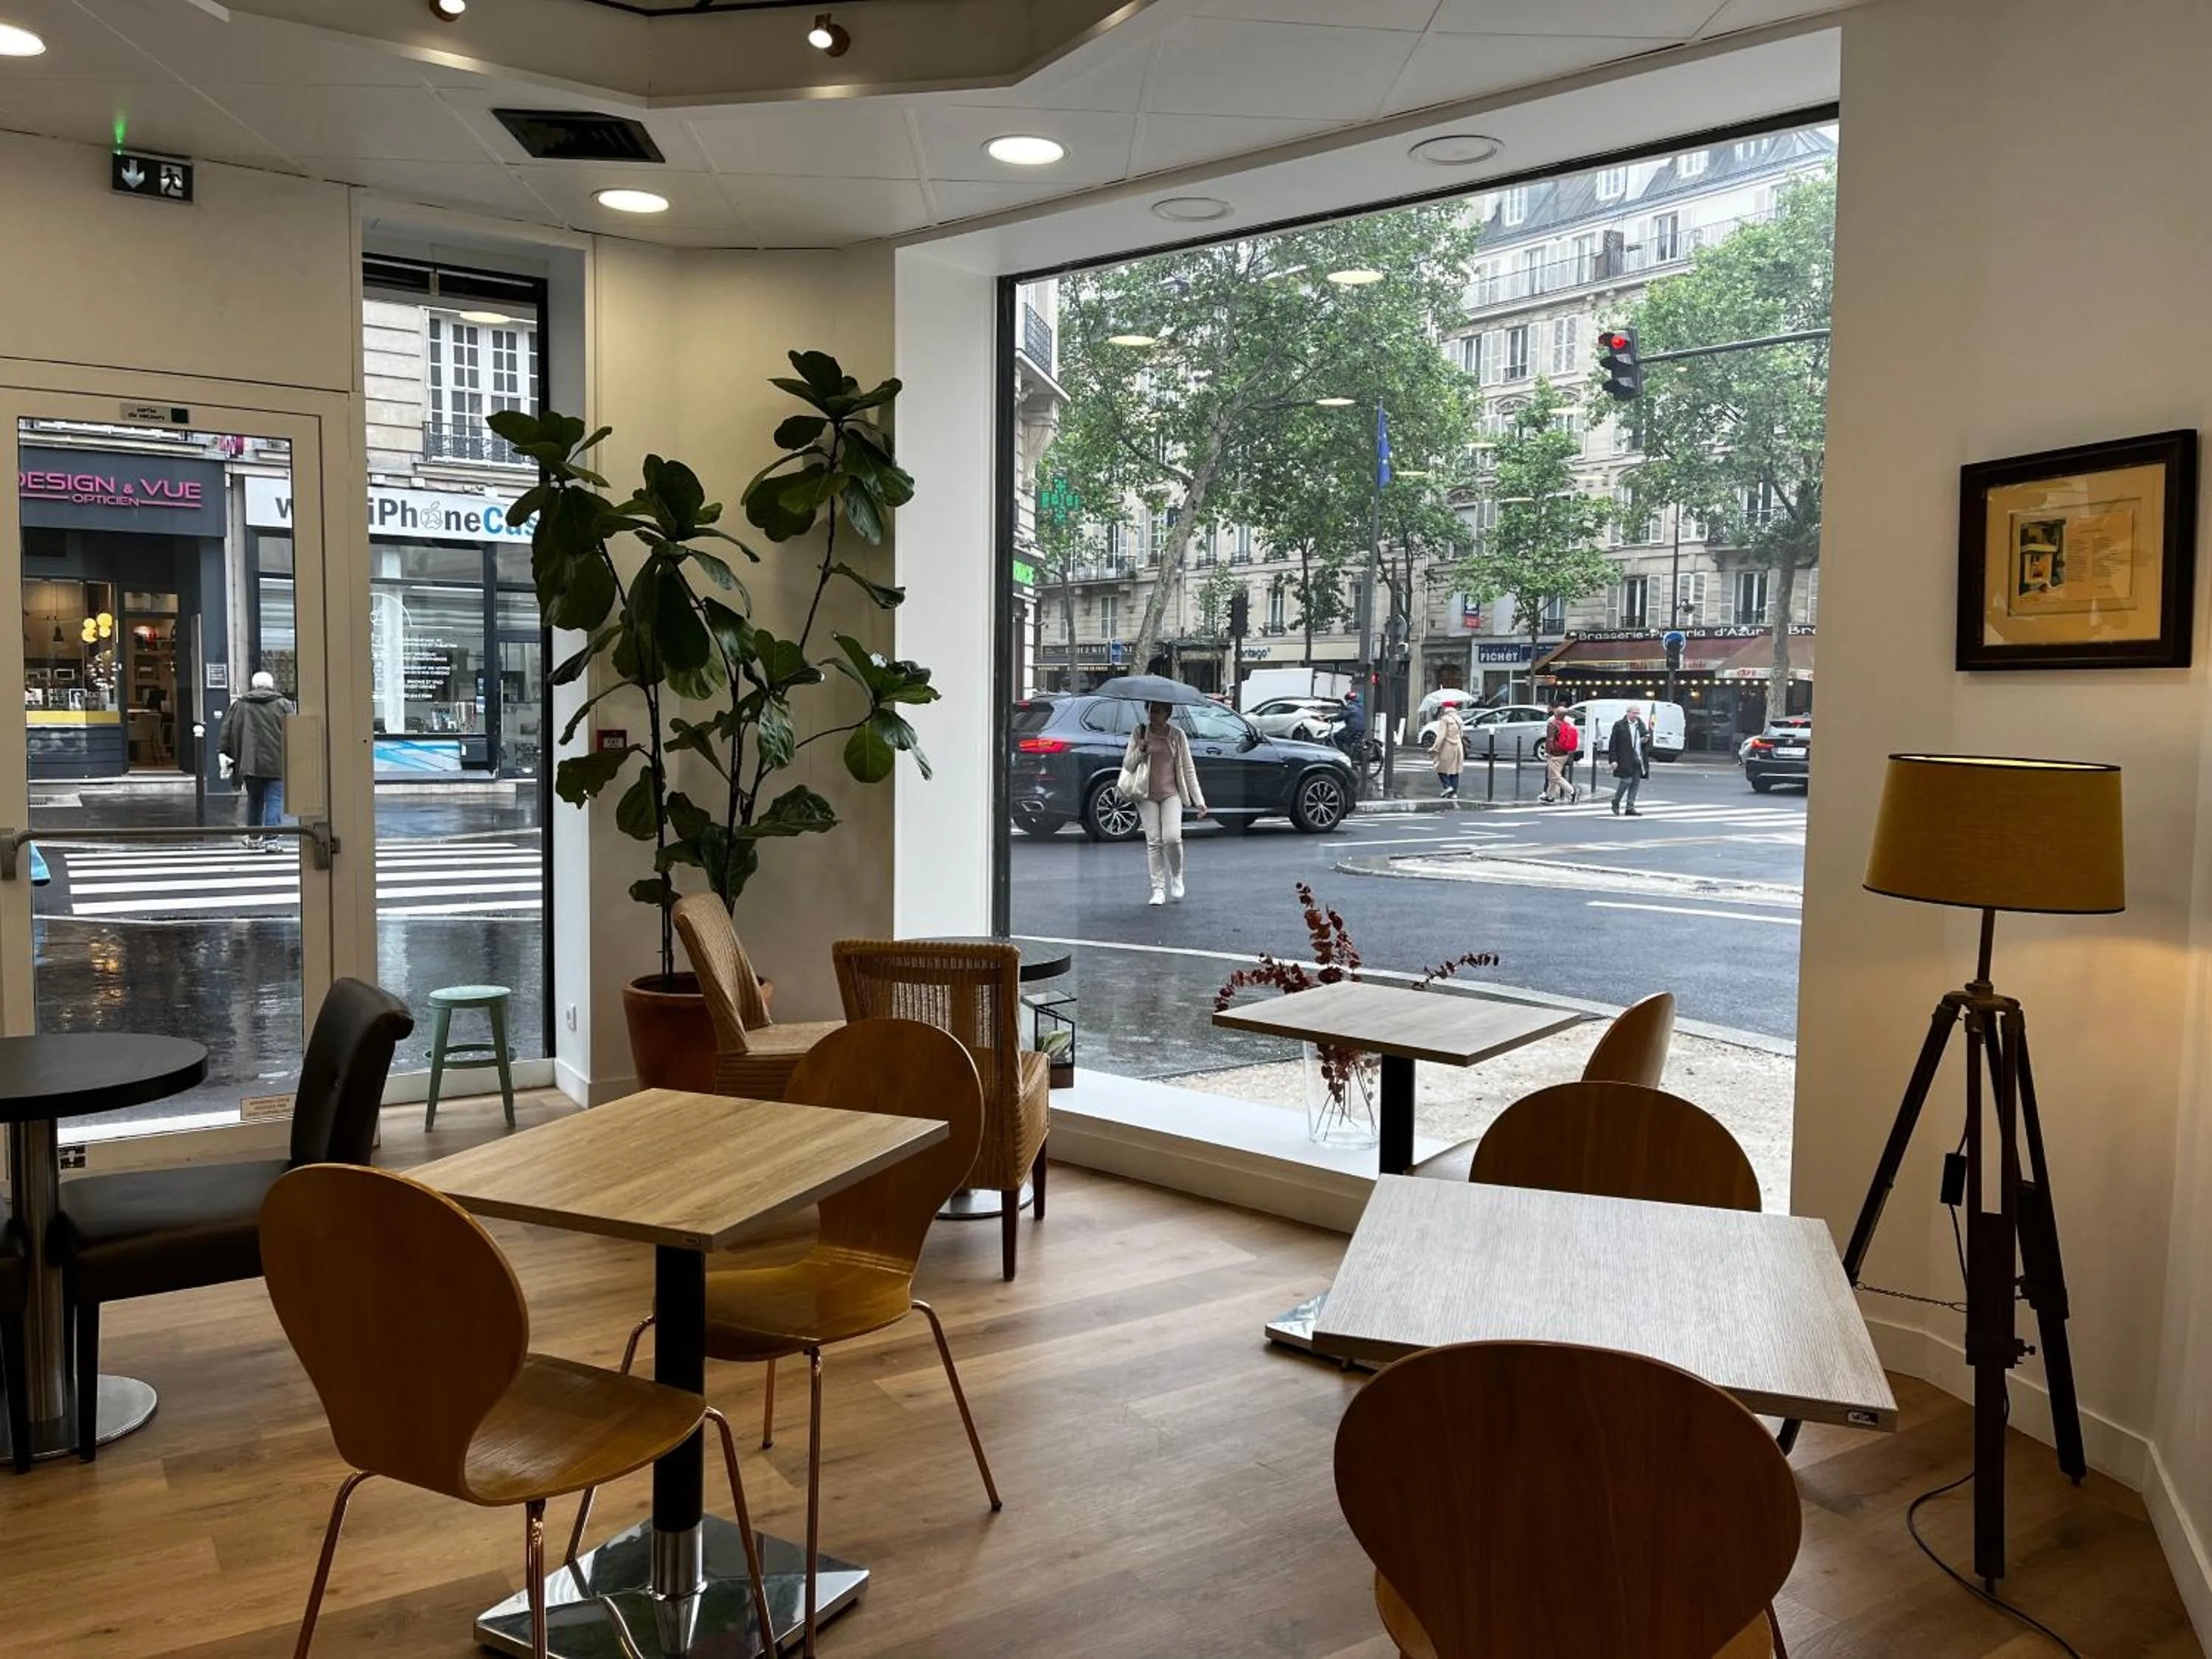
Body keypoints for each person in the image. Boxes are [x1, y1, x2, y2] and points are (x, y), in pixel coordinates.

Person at [1121, 702, 1208, 905]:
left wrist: (1199, 801)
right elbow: (1128, 765)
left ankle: (1176, 875)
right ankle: (1158, 889)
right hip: (1146, 794)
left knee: (1172, 838)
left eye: (1158, 711)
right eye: (1150, 710)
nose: (1153, 715)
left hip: (1171, 794)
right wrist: (1140, 751)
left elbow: (1188, 769)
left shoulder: (1177, 735)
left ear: (1168, 714)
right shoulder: (1139, 733)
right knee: (1154, 842)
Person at [222, 669, 294, 851]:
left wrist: (224, 753)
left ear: (253, 685)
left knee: (254, 799)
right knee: (275, 799)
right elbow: (295, 733)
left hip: (250, 761)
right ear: (271, 686)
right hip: (277, 760)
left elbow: (227, 730)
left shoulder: (240, 705)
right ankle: (271, 840)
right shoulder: (283, 704)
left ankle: (254, 837)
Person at [1608, 703, 1651, 817]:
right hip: (1624, 758)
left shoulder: (1640, 724)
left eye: (1638, 713)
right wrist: (1613, 760)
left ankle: (1630, 807)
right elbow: (1613, 743)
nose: (1636, 715)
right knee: (1626, 781)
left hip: (1638, 758)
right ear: (1628, 713)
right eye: (1634, 713)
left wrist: (1646, 739)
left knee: (1635, 783)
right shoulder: (1619, 725)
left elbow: (1646, 735)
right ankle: (1616, 801)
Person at [1542, 703, 1582, 804]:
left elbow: (1550, 740)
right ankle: (1550, 796)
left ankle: (1572, 791)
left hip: (1555, 754)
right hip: (1565, 753)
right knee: (1553, 775)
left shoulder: (1552, 724)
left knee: (1555, 776)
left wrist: (1548, 752)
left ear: (1556, 713)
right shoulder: (1567, 724)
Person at [1431, 703, 1466, 801]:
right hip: (1458, 746)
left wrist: (1435, 747)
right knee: (1455, 770)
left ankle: (1447, 786)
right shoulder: (1458, 719)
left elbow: (1441, 736)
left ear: (1444, 709)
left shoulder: (1445, 719)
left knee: (1439, 767)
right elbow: (1462, 734)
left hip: (1448, 746)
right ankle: (1454, 793)